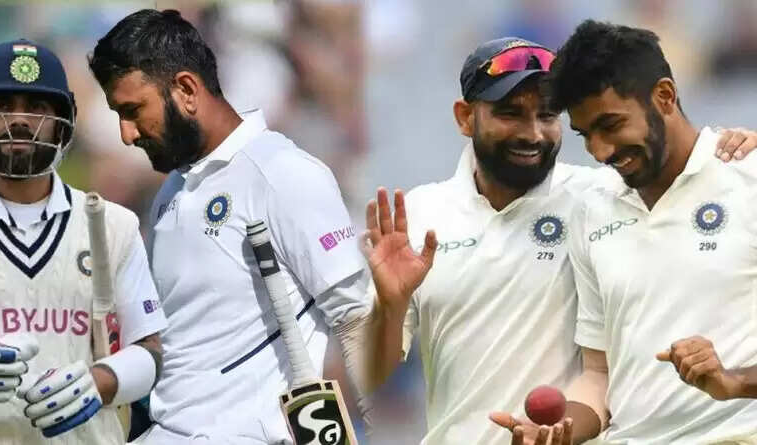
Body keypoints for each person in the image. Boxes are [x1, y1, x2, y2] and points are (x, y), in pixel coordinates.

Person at [360, 36, 757, 445]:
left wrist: (733, 148)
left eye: (547, 115)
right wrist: (390, 306)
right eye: (511, 114)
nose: (532, 134)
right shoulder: (418, 215)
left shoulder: (598, 196)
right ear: (465, 117)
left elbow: (684, 166)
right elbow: (370, 376)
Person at [88, 9, 371, 444]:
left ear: (186, 90)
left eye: (133, 110)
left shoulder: (281, 172)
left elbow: (356, 322)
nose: (126, 134)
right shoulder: (171, 192)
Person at [507, 19, 757, 444]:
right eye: (586, 135)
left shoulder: (747, 177)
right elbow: (599, 374)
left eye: (611, 125)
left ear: (664, 96)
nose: (599, 151)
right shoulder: (592, 209)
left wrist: (735, 382)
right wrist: (557, 431)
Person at [0, 39, 167, 445]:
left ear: (64, 123)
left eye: (37, 108)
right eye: (1, 106)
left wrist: (99, 382)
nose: (20, 120)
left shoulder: (113, 226)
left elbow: (151, 351)